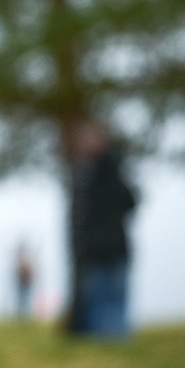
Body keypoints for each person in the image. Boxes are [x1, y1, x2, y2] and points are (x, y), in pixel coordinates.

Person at [68, 120, 138, 338]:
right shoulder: (85, 175)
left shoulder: (110, 172)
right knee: (97, 301)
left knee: (113, 301)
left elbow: (130, 202)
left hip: (113, 248)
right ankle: (102, 345)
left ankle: (115, 343)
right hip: (95, 250)